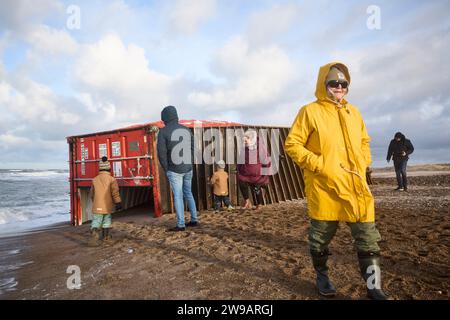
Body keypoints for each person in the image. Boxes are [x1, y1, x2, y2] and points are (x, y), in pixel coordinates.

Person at [285, 62, 388, 300]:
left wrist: (364, 161)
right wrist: (320, 165)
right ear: (324, 85)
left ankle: (374, 288)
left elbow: (364, 140)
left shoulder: (354, 112)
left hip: (356, 187)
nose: (339, 87)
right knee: (320, 236)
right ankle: (322, 277)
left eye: (344, 84)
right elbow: (292, 144)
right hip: (325, 187)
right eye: (334, 83)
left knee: (368, 236)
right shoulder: (309, 111)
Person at [157, 105, 198, 231]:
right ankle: (194, 219)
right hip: (188, 167)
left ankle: (181, 224)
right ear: (176, 116)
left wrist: (166, 169)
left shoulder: (163, 132)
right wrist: (189, 163)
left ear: (164, 118)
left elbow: (161, 153)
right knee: (189, 193)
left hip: (174, 169)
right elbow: (192, 149)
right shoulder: (186, 130)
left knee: (178, 196)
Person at [88, 156, 122, 247]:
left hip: (97, 206)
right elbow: (115, 192)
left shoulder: (94, 180)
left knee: (96, 222)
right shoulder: (112, 179)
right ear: (109, 168)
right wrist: (118, 202)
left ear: (100, 168)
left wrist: (95, 202)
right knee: (107, 221)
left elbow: (91, 194)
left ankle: (94, 237)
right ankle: (106, 237)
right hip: (107, 206)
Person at [237, 129, 271, 212]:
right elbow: (241, 159)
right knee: (241, 182)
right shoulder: (244, 148)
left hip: (257, 174)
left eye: (246, 141)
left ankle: (259, 204)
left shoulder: (260, 147)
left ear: (252, 139)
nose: (244, 143)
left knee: (257, 188)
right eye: (244, 141)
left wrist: (265, 173)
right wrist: (239, 169)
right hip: (246, 173)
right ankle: (247, 202)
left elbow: (266, 160)